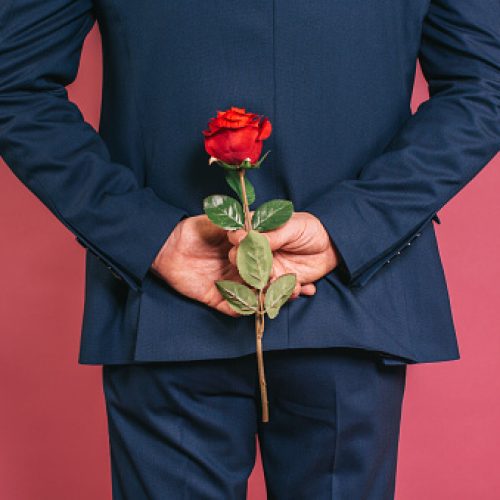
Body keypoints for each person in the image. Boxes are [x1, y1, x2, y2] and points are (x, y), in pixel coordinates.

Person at [0, 1, 498, 498]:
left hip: (168, 310)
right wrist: (354, 227)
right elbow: (485, 84)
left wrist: (146, 235)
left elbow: (13, 82)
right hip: (347, 301)